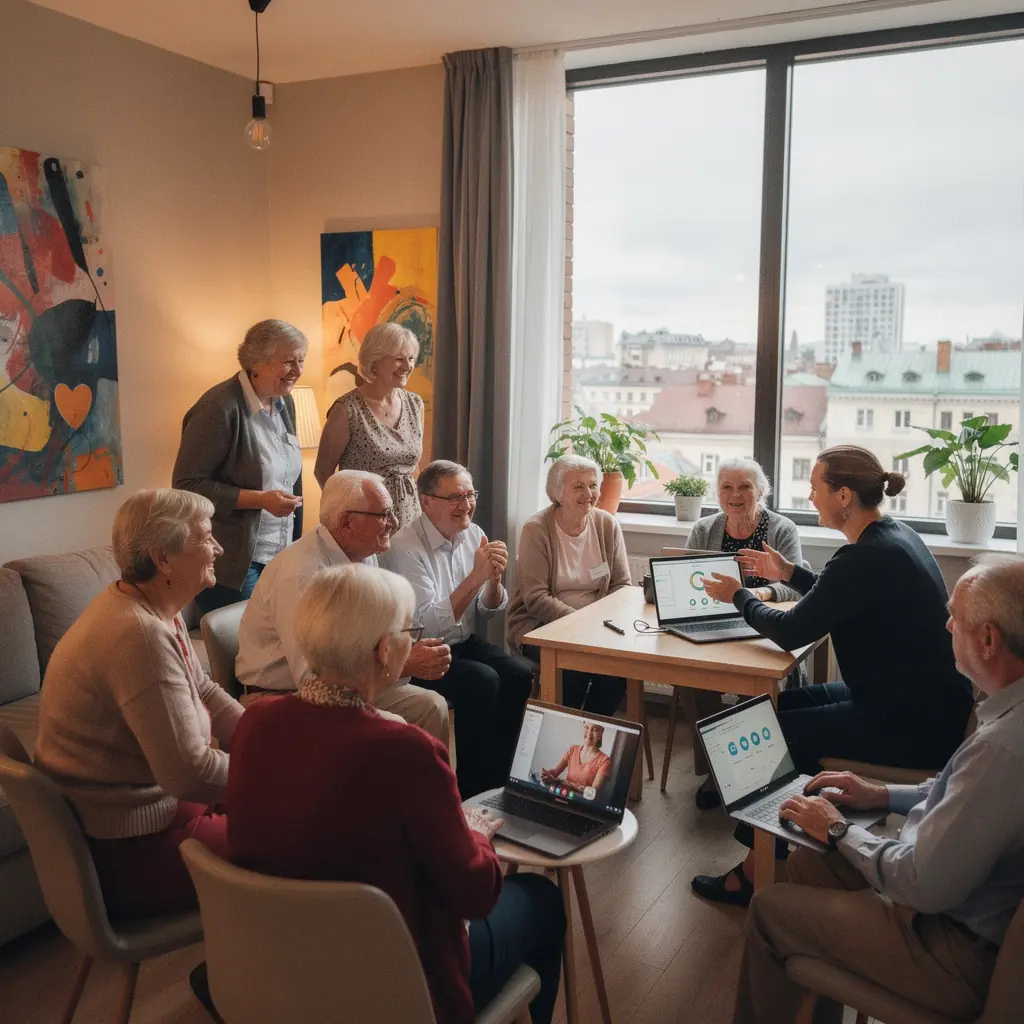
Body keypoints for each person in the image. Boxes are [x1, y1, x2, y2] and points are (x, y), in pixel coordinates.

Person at [227, 565, 566, 1024]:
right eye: (410, 631)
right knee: (541, 900)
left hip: (279, 966)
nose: (414, 641)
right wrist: (478, 835)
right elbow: (474, 893)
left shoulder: (255, 723)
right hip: (395, 985)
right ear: (386, 652)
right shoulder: (404, 750)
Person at [732, 555, 1024, 1024]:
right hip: (954, 904)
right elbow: (959, 792)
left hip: (951, 948)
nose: (946, 625)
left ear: (988, 640)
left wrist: (841, 830)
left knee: (769, 908)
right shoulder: (1006, 718)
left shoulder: (1002, 751)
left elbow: (920, 883)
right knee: (807, 859)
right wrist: (881, 794)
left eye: (957, 618)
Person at [693, 445, 973, 907]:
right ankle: (785, 841)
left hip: (912, 723)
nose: (809, 497)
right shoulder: (891, 536)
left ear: (843, 495)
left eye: (815, 487)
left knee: (771, 731)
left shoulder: (865, 556)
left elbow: (790, 630)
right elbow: (838, 591)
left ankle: (755, 868)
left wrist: (739, 596)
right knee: (779, 707)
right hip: (920, 703)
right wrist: (790, 573)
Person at [34, 489, 244, 919]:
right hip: (135, 849)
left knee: (294, 812)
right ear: (162, 558)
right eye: (206, 537)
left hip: (155, 817)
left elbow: (203, 689)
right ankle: (246, 975)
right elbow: (189, 773)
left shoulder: (153, 609)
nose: (219, 547)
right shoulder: (139, 634)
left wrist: (264, 740)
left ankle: (240, 968)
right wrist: (277, 772)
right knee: (297, 835)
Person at [235, 470, 450, 741]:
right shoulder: (301, 574)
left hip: (350, 682)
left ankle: (423, 784)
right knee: (393, 727)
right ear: (348, 522)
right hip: (287, 696)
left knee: (431, 706)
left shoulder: (362, 552)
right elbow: (312, 679)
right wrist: (403, 664)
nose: (394, 523)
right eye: (383, 514)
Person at [384, 460, 533, 798]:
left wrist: (493, 581)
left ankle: (501, 780)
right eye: (455, 498)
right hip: (420, 651)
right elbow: (423, 625)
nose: (466, 505)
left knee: (518, 673)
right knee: (482, 682)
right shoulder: (405, 547)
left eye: (469, 495)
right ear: (427, 501)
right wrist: (476, 578)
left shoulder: (473, 534)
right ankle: (470, 790)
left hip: (460, 641)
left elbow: (489, 607)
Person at [685, 457, 809, 810]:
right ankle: (717, 771)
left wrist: (758, 594)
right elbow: (687, 576)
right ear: (717, 492)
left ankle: (753, 772)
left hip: (767, 628)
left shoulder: (781, 529)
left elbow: (796, 588)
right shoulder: (704, 529)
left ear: (761, 492)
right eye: (727, 487)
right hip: (713, 626)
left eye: (745, 487)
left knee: (757, 685)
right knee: (690, 677)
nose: (735, 495)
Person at [173, 319, 307, 615]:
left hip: (280, 553)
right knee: (243, 653)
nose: (298, 371)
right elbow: (187, 485)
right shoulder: (219, 408)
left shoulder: (285, 403)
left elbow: (288, 478)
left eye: (301, 360)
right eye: (288, 361)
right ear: (256, 362)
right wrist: (259, 500)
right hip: (233, 561)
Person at [507, 455, 631, 716]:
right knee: (572, 669)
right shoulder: (536, 529)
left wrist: (599, 626)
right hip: (540, 626)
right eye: (578, 487)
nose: (589, 493)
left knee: (618, 674)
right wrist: (582, 625)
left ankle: (590, 735)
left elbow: (622, 586)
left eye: (593, 485)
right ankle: (562, 740)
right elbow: (535, 597)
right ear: (557, 492)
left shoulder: (607, 525)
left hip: (598, 629)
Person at [314, 322, 424, 530]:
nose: (408, 366)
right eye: (399, 359)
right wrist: (344, 513)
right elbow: (323, 471)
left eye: (411, 359)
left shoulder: (414, 404)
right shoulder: (347, 409)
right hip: (366, 519)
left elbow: (414, 468)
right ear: (375, 362)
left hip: (410, 517)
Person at [539, 721, 612, 797]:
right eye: (587, 727)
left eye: (595, 729)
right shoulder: (572, 749)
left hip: (582, 804)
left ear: (601, 733)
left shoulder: (605, 761)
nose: (589, 733)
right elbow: (555, 771)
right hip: (563, 796)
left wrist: (563, 782)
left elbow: (593, 792)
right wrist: (547, 774)